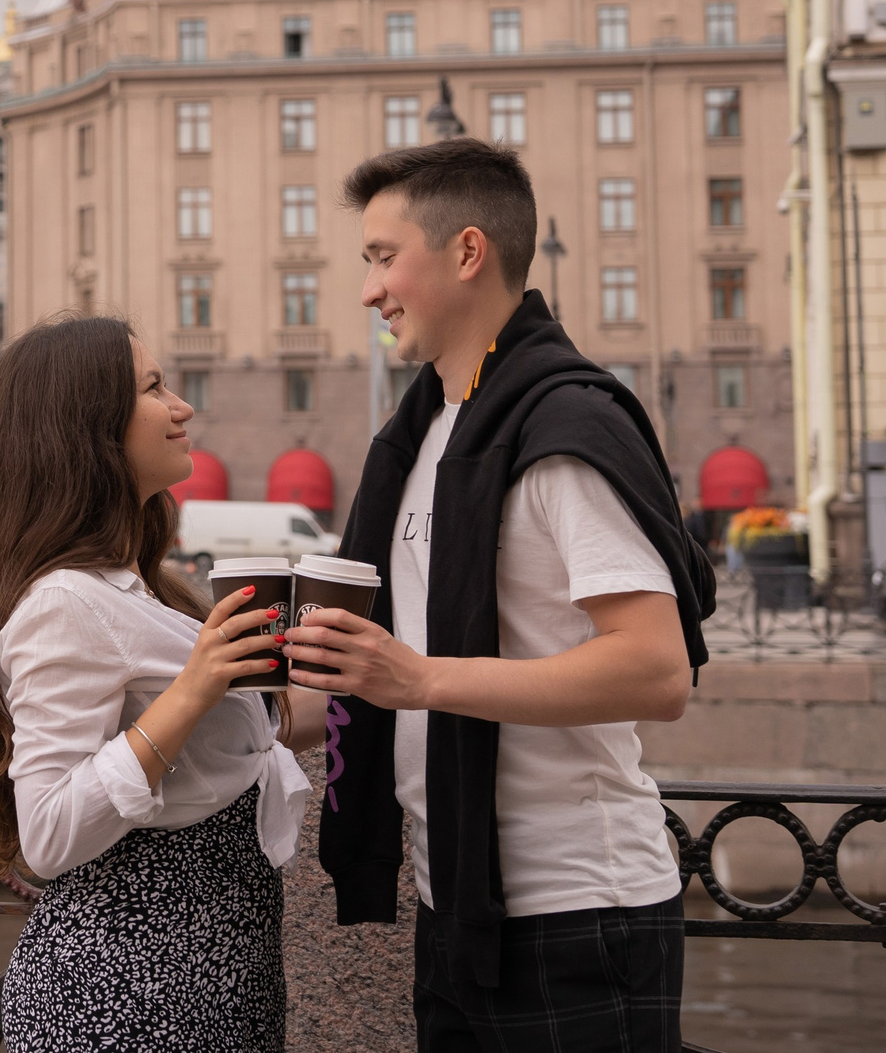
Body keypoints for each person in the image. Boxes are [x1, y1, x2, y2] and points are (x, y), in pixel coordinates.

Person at [286, 138, 714, 1053]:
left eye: (382, 256)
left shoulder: (564, 424)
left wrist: (420, 678)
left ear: (467, 251)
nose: (370, 290)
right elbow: (375, 679)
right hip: (461, 909)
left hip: (580, 912)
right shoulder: (423, 435)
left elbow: (656, 668)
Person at [0, 313, 316, 1052]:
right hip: (123, 997)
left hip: (208, 978)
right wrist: (194, 690)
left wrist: (393, 674)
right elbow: (50, 832)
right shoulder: (62, 604)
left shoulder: (141, 591)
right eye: (154, 388)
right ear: (89, 428)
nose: (182, 407)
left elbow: (247, 744)